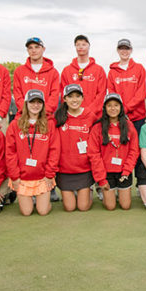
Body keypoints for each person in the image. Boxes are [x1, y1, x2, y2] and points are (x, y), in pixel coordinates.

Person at [6, 89, 60, 216]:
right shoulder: (15, 125)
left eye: (39, 102)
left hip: (42, 177)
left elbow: (54, 150)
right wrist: (14, 177)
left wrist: (49, 174)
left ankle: (44, 201)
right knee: (26, 212)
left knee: (42, 211)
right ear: (26, 104)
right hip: (23, 177)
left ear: (43, 105)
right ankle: (30, 198)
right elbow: (10, 153)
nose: (35, 105)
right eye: (32, 102)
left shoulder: (50, 124)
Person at [88, 93, 140, 210]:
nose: (113, 108)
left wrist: (127, 171)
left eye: (116, 105)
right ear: (105, 108)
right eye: (109, 105)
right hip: (106, 173)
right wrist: (101, 179)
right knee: (110, 207)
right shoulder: (98, 128)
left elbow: (134, 151)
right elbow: (94, 154)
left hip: (123, 173)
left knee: (125, 206)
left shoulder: (129, 126)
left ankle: (122, 192)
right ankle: (107, 193)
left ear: (121, 108)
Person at [53, 84, 98, 212]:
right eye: (70, 96)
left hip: (84, 169)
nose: (74, 100)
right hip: (65, 170)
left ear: (83, 98)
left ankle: (88, 189)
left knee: (83, 207)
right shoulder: (58, 117)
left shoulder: (90, 116)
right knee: (70, 207)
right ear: (65, 99)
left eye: (77, 96)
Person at [106, 39, 146, 134]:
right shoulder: (112, 72)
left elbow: (141, 93)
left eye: (127, 48)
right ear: (117, 50)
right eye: (121, 48)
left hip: (138, 117)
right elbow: (112, 93)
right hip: (120, 116)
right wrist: (120, 110)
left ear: (131, 50)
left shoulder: (139, 68)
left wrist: (126, 108)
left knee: (137, 146)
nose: (124, 51)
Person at [60, 34, 107, 117]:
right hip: (72, 116)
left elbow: (101, 94)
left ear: (89, 46)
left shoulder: (99, 70)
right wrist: (72, 112)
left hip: (94, 116)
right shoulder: (67, 70)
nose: (81, 47)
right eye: (78, 45)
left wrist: (88, 112)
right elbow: (63, 94)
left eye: (84, 44)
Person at [13, 37, 61, 116]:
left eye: (37, 47)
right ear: (27, 50)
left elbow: (54, 96)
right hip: (24, 116)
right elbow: (17, 95)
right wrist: (28, 112)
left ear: (43, 49)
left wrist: (42, 113)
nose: (34, 50)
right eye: (30, 48)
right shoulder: (19, 71)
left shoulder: (53, 72)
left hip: (45, 117)